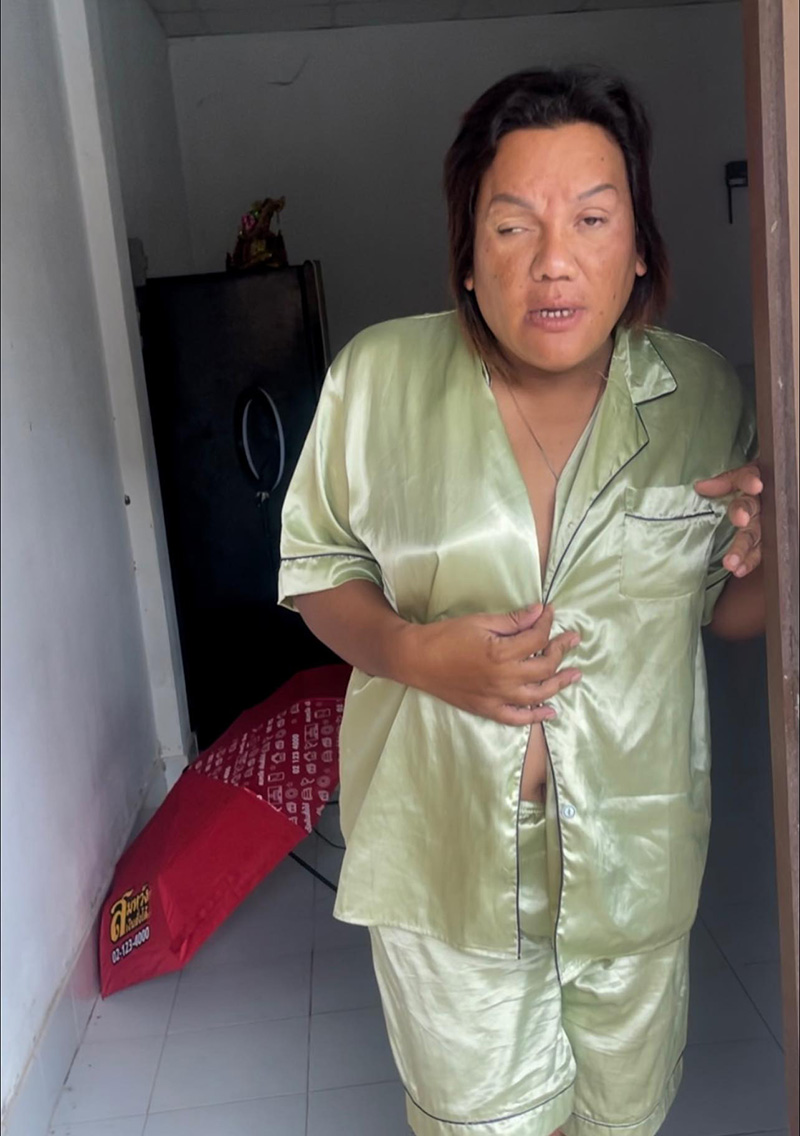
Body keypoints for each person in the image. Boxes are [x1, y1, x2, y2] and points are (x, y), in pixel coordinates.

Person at [278, 68, 764, 1136]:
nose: (553, 260)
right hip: (444, 861)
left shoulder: (699, 397)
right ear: (467, 252)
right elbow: (316, 566)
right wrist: (412, 654)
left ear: (638, 244)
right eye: (512, 226)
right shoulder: (378, 381)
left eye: (591, 217)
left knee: (621, 1118)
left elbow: (723, 612)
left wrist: (768, 556)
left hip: (634, 855)